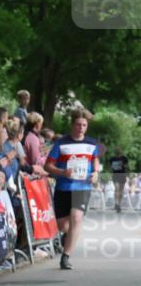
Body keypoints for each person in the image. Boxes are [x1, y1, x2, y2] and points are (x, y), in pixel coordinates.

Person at [44, 109, 100, 270]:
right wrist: (62, 172)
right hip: (63, 187)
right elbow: (47, 165)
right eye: (78, 124)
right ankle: (67, 236)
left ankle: (65, 256)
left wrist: (95, 173)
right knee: (62, 225)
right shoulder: (61, 143)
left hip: (82, 187)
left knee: (76, 217)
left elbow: (95, 161)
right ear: (72, 124)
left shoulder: (91, 144)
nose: (81, 128)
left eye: (84, 125)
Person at [109, 148, 130, 212]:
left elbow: (127, 167)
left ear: (121, 151)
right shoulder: (112, 159)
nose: (118, 151)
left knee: (121, 190)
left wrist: (122, 165)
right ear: (115, 151)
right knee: (116, 188)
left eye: (119, 150)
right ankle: (116, 203)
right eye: (117, 150)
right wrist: (112, 167)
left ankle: (119, 204)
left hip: (122, 175)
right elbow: (109, 167)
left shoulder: (124, 158)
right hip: (115, 175)